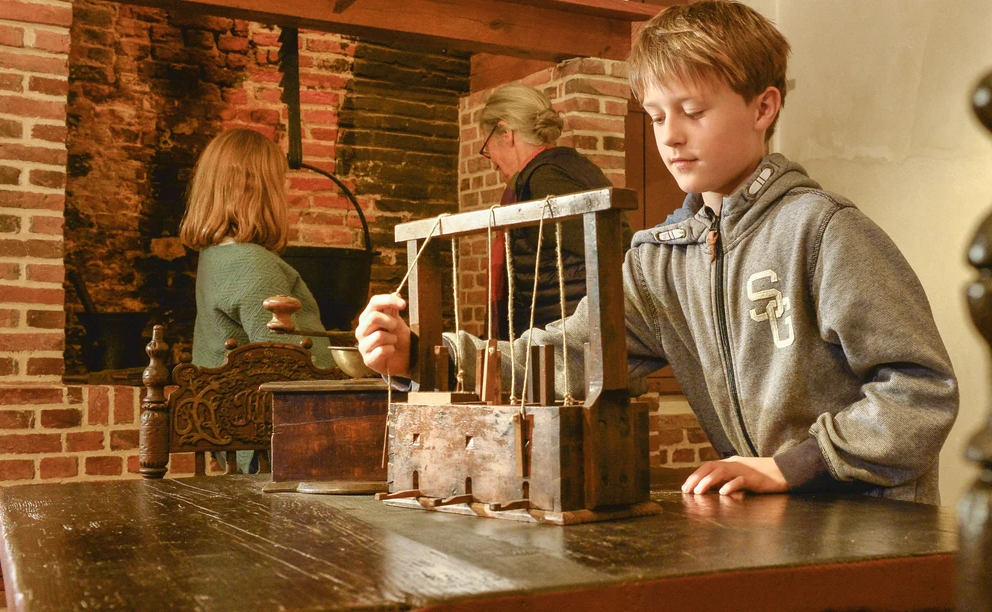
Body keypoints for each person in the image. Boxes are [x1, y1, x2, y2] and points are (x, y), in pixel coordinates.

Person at [356, 0, 958, 504]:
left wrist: (791, 465)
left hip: (874, 524)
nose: (670, 135)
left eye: (693, 112)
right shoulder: (658, 260)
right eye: (655, 115)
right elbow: (569, 357)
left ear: (764, 107)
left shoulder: (824, 232)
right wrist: (423, 356)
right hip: (775, 525)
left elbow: (921, 391)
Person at [477, 84, 631, 338]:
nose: (492, 163)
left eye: (487, 148)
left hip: (569, 343)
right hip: (574, 335)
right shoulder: (568, 168)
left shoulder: (546, 179)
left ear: (505, 132)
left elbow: (611, 253)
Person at [180, 128, 333, 371]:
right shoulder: (252, 264)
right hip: (261, 407)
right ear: (259, 189)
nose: (286, 188)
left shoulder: (217, 254)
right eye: (280, 180)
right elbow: (295, 370)